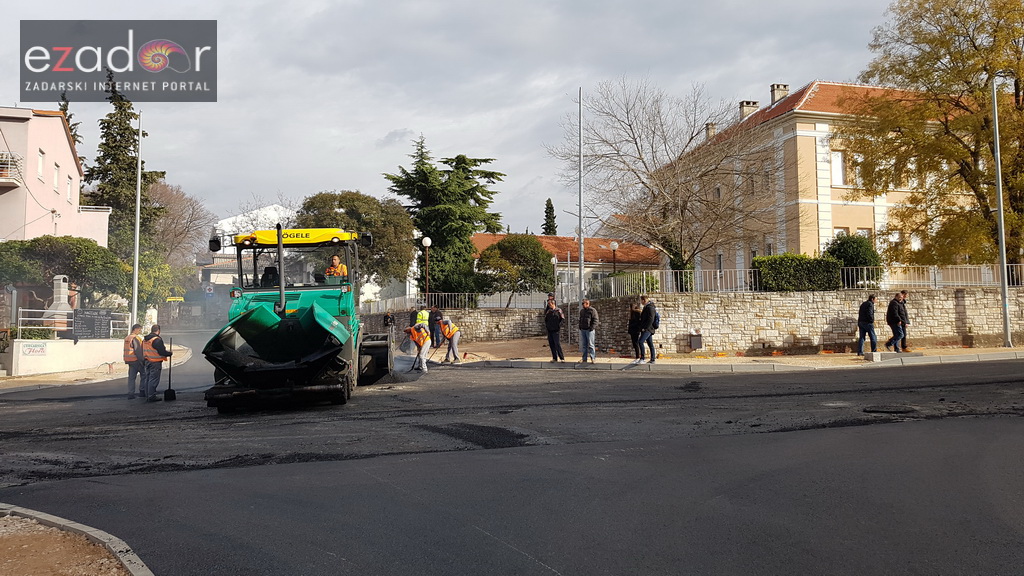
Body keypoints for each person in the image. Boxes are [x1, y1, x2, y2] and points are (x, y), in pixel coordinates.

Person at [141, 324, 172, 402]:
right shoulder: (156, 340)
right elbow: (161, 351)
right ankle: (151, 396)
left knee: (148, 379)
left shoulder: (145, 340)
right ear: (158, 331)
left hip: (147, 361)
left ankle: (148, 395)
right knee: (153, 379)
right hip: (155, 362)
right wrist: (169, 353)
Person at [123, 323, 144, 399]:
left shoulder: (127, 338)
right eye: (139, 330)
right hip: (136, 360)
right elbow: (138, 350)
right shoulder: (135, 338)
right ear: (135, 329)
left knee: (131, 378)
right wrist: (142, 361)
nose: (139, 331)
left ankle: (131, 393)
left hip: (129, 361)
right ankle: (142, 391)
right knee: (144, 375)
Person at [636, 295, 658, 364]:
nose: (641, 302)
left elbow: (651, 319)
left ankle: (642, 358)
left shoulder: (650, 307)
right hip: (648, 328)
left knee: (640, 342)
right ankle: (652, 359)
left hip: (648, 329)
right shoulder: (647, 307)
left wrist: (645, 328)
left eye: (641, 301)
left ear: (644, 300)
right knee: (650, 344)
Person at [578, 299, 598, 363]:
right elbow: (580, 319)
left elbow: (595, 320)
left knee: (591, 344)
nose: (582, 305)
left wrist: (591, 328)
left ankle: (593, 358)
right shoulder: (582, 311)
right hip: (583, 329)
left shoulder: (592, 310)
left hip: (589, 330)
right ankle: (584, 358)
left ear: (587, 304)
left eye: (583, 303)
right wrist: (580, 326)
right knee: (584, 345)